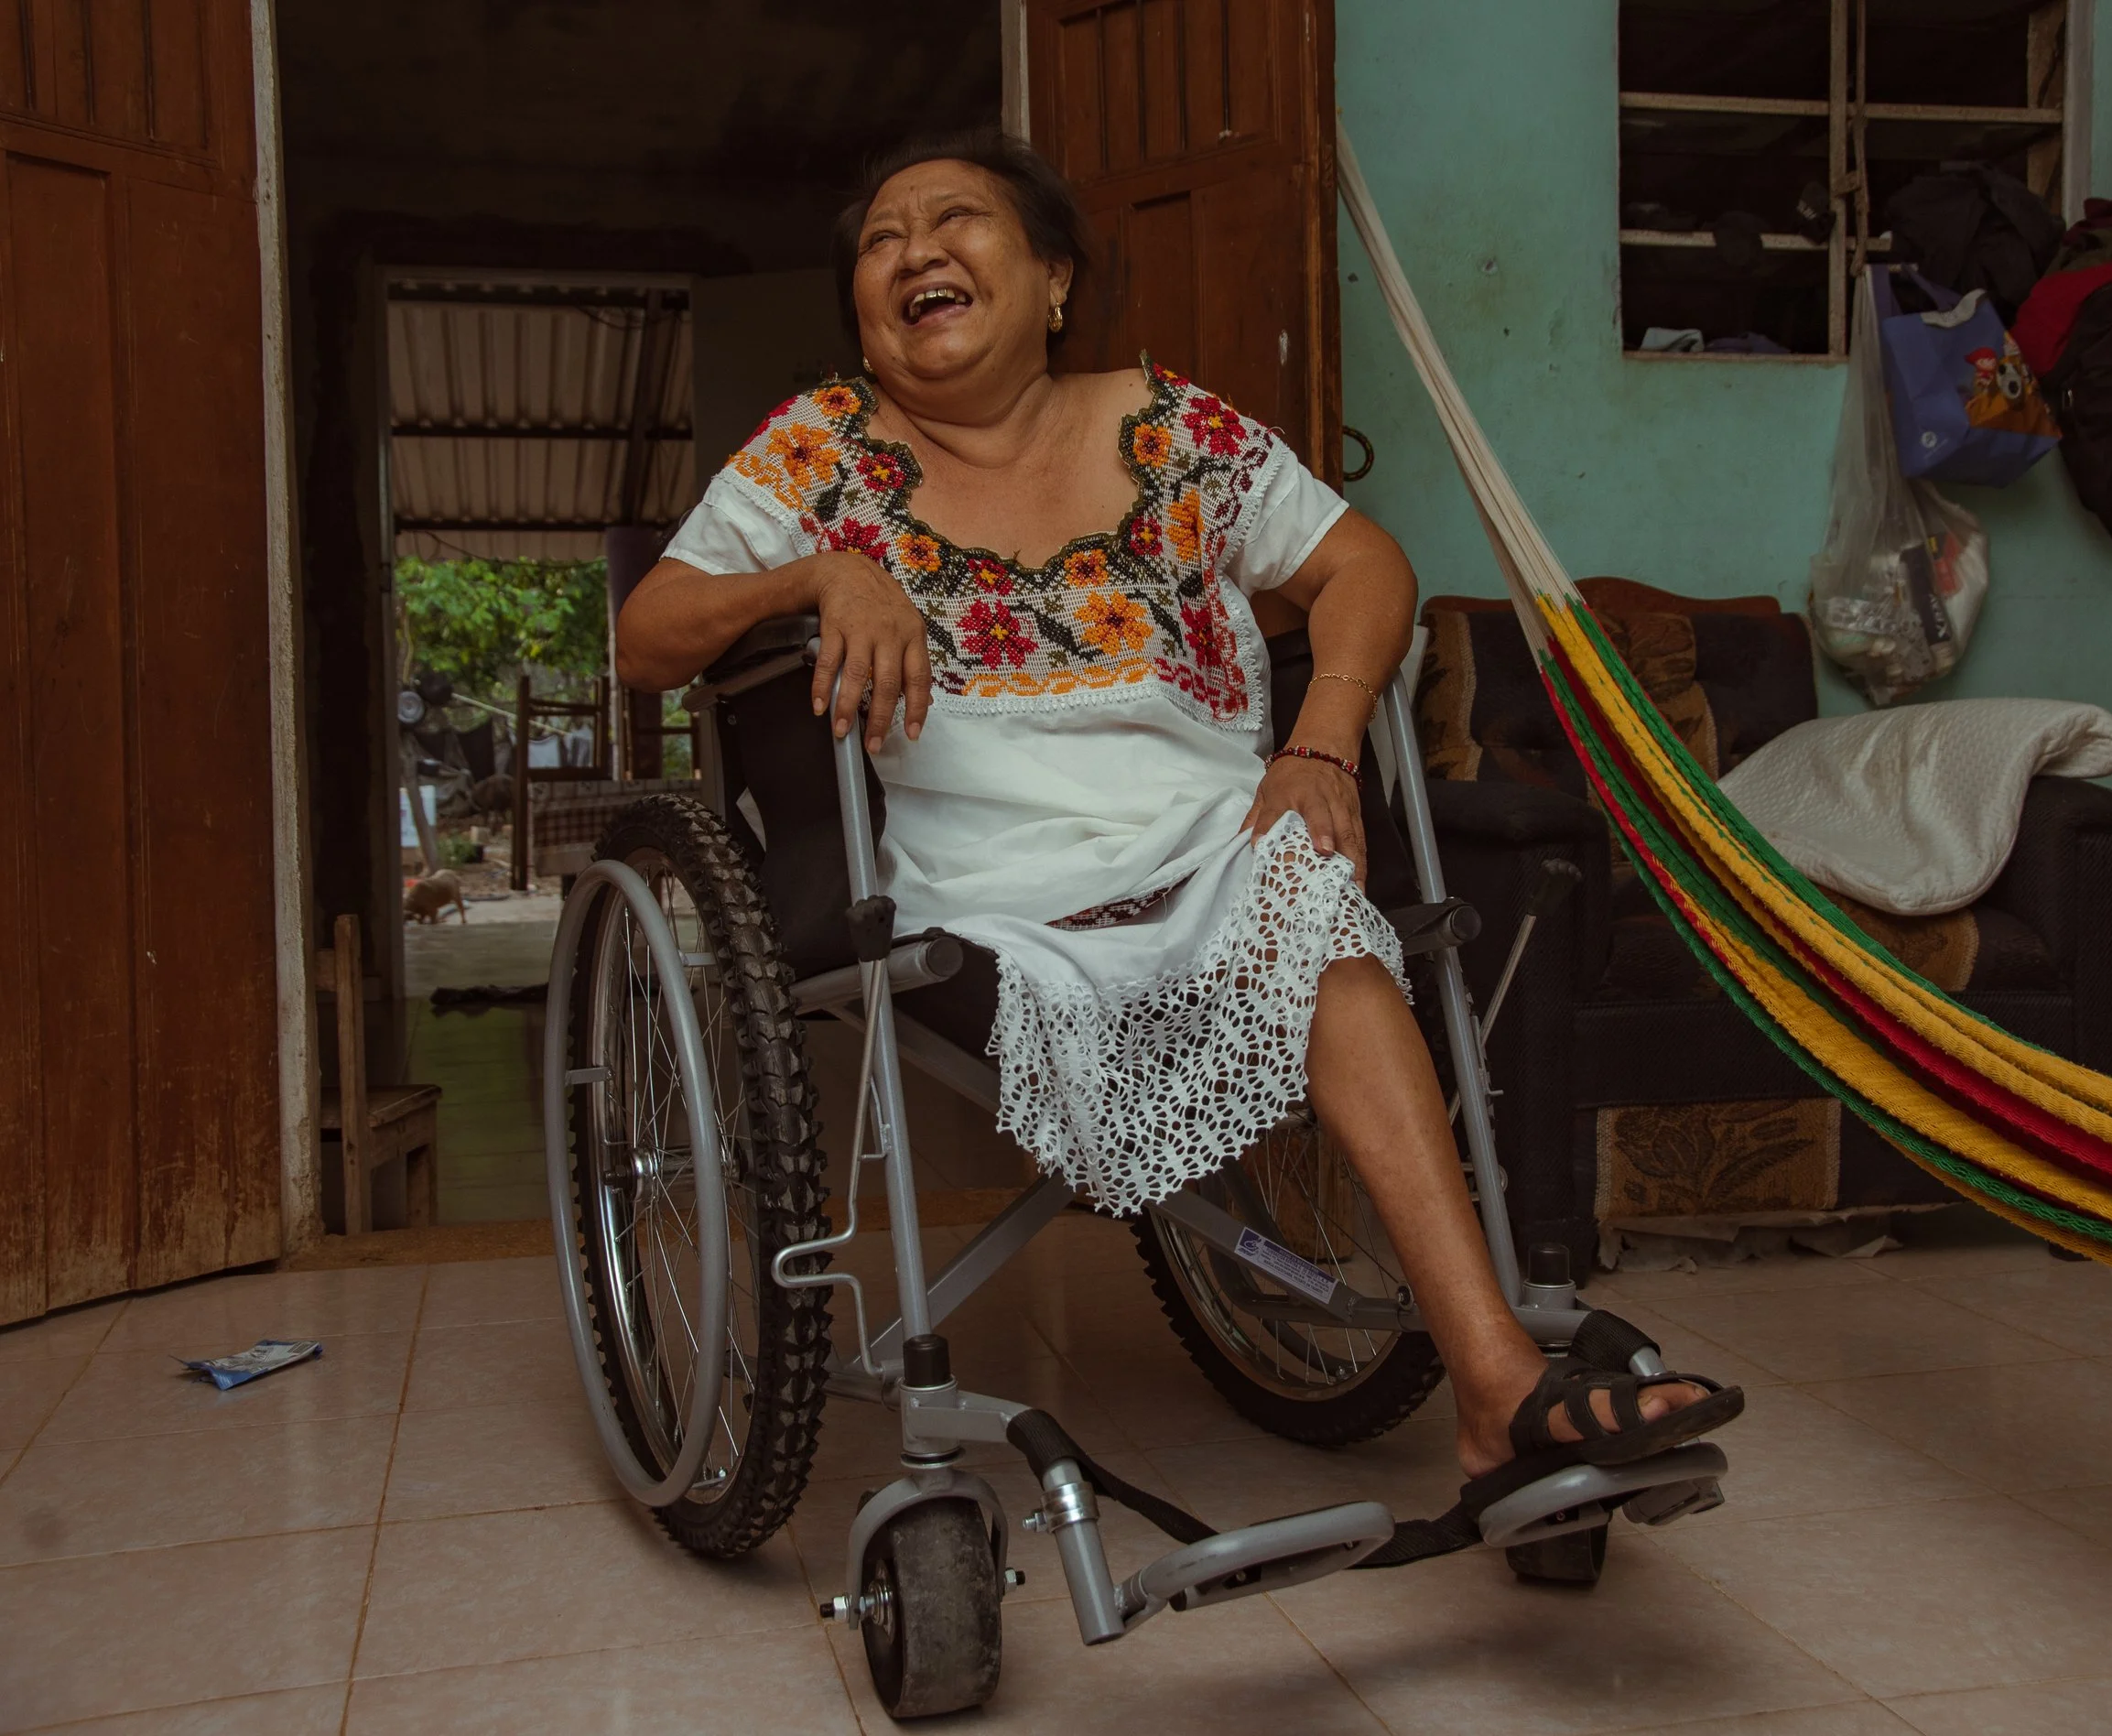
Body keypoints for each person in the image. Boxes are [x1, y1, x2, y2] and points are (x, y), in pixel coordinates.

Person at [616, 128, 1739, 1501]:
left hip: (1212, 842)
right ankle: (1499, 1381)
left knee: (1314, 912)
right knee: (1293, 918)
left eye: (956, 221)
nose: (914, 253)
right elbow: (648, 638)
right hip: (985, 889)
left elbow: (1365, 567)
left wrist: (1322, 743)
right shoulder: (819, 454)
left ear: (1054, 279)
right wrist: (814, 578)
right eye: (881, 241)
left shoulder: (1173, 431)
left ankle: (1497, 1387)